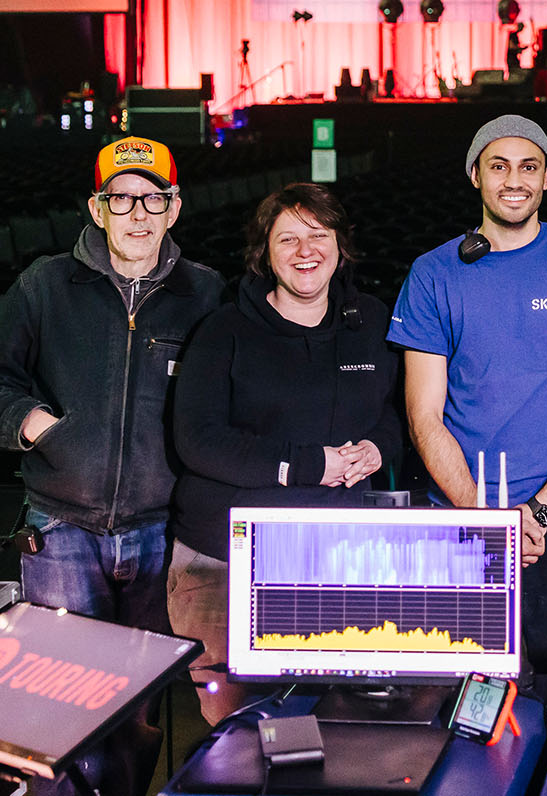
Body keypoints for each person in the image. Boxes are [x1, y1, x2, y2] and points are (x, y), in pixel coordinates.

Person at [0, 136, 223, 796]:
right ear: (98, 207)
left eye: (152, 199)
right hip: (61, 531)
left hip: (162, 533)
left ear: (174, 208)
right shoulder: (44, 286)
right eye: (121, 198)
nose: (137, 212)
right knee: (57, 700)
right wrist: (47, 429)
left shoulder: (206, 295)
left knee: (132, 709)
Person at [388, 115, 547, 684]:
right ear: (475, 174)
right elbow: (423, 416)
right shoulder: (432, 274)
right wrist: (484, 517)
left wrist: (541, 509)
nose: (514, 180)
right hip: (462, 518)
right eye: (498, 166)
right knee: (468, 690)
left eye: (529, 166)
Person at [167, 183, 402, 724]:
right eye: (288, 238)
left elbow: (393, 413)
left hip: (334, 559)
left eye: (319, 235)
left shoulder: (370, 322)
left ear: (341, 246)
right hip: (223, 561)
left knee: (334, 730)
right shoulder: (222, 331)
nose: (305, 250)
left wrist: (376, 448)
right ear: (263, 253)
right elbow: (197, 439)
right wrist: (310, 465)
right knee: (240, 733)